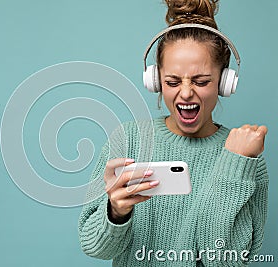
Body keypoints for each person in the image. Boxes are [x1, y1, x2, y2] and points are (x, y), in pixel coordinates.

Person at [78, 0, 269, 266]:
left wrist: (235, 166)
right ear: (155, 81)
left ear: (225, 83)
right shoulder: (128, 139)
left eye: (201, 81)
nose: (187, 92)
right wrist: (116, 212)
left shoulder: (246, 157)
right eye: (172, 82)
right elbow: (94, 247)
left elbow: (225, 261)